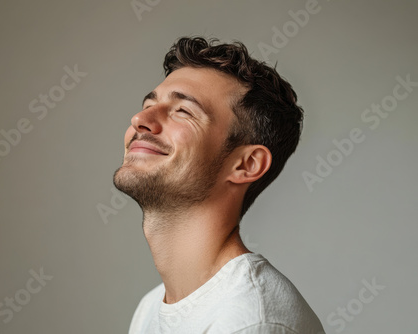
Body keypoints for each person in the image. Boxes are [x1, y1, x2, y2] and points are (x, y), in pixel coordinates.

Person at [113, 36, 325, 334]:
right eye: (149, 104)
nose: (139, 119)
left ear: (246, 164)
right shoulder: (151, 308)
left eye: (183, 111)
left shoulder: (250, 321)